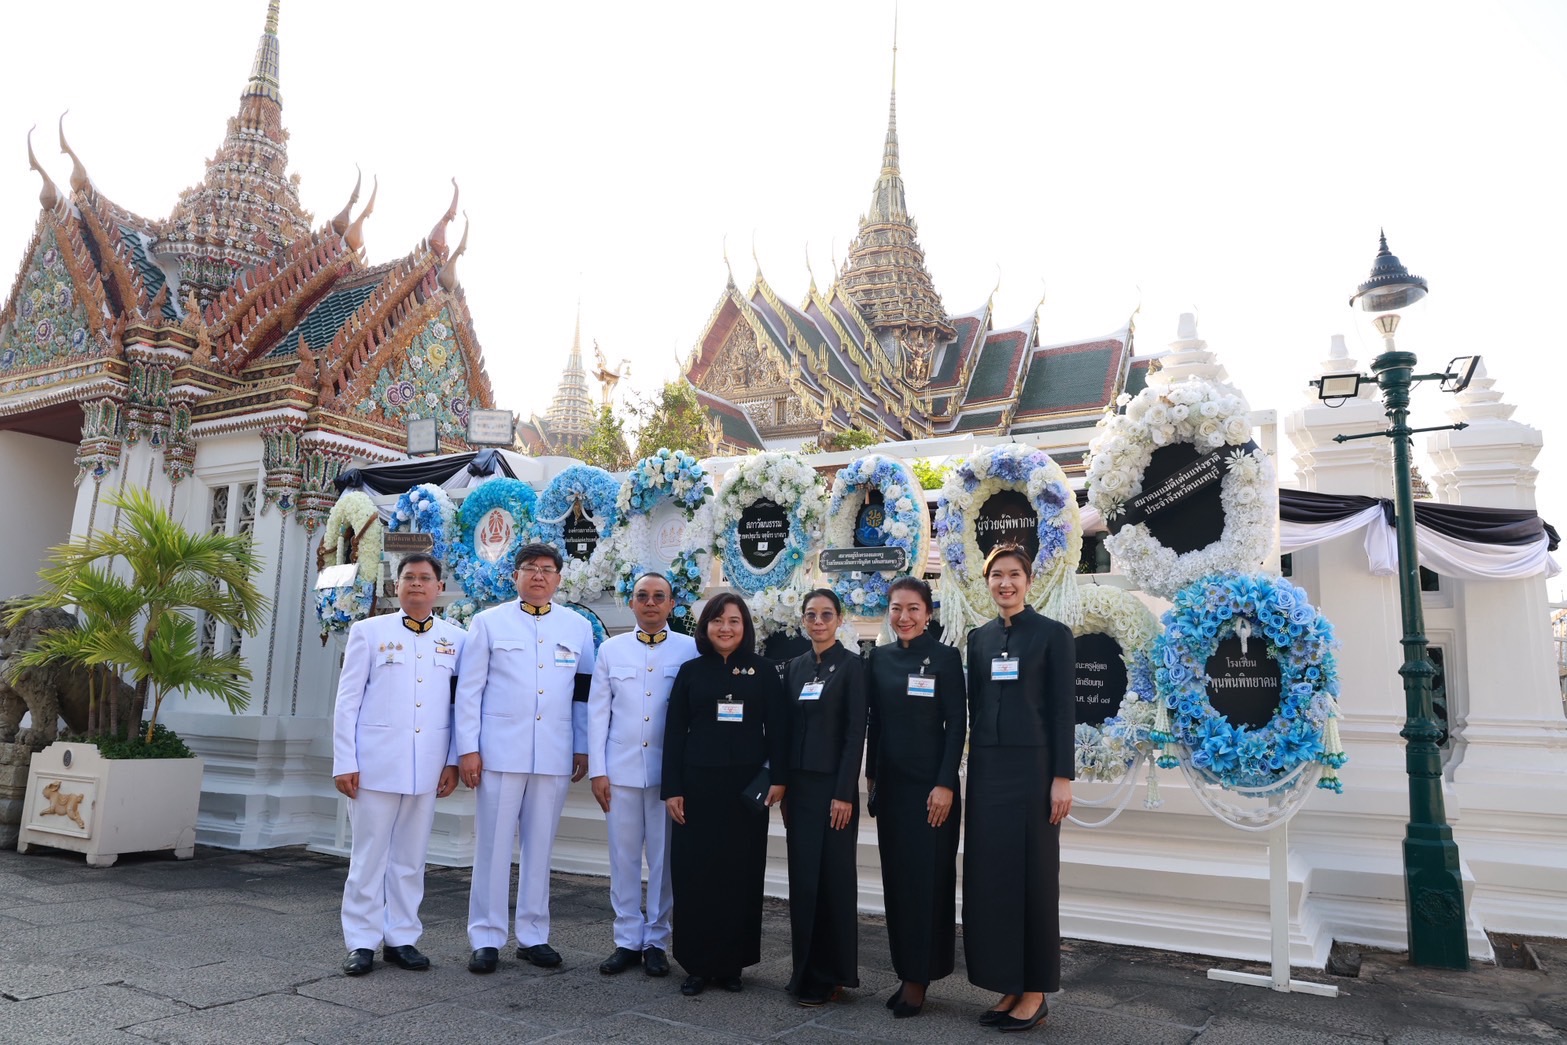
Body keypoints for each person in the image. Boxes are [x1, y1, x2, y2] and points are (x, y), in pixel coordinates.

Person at [455, 542, 594, 975]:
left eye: (547, 569)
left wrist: (582, 745)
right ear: (515, 576)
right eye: (530, 568)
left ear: (558, 578)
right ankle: (486, 936)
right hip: (499, 752)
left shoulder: (577, 627)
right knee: (493, 847)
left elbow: (582, 694)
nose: (538, 576)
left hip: (552, 752)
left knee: (540, 848)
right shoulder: (489, 623)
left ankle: (534, 935)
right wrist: (468, 748)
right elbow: (469, 691)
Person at [331, 552, 464, 976]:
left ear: (439, 588)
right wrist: (344, 761)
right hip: (374, 765)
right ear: (396, 584)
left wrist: (453, 761)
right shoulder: (369, 632)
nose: (417, 584)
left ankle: (402, 937)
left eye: (426, 578)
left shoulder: (456, 639)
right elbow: (347, 701)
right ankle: (361, 941)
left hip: (427, 767)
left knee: (410, 858)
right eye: (409, 577)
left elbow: (460, 706)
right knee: (369, 856)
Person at [963, 543, 1075, 1033]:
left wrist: (1062, 778)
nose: (1004, 584)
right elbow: (976, 706)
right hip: (988, 773)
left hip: (1033, 775)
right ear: (987, 583)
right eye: (996, 576)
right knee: (994, 880)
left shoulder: (1053, 636)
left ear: (1029, 582)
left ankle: (1035, 991)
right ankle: (1010, 981)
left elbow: (1062, 712)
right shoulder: (979, 639)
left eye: (1013, 575)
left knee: (1033, 878)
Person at [661, 592, 789, 996]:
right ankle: (697, 964)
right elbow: (674, 732)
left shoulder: (765, 671)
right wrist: (672, 789)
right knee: (696, 875)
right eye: (718, 621)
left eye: (734, 621)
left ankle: (732, 963)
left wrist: (778, 779)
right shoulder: (690, 671)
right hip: (696, 788)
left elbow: (781, 730)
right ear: (706, 627)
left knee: (741, 875)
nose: (726, 628)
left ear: (745, 627)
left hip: (746, 791)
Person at [586, 572, 698, 978]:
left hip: (668, 778)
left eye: (659, 597)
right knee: (624, 858)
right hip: (620, 773)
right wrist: (598, 771)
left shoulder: (689, 649)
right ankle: (626, 940)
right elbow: (598, 714)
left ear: (672, 604)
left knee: (665, 861)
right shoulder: (611, 650)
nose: (650, 603)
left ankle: (656, 940)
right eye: (642, 596)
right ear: (631, 602)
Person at [864, 576, 965, 1018]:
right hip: (894, 789)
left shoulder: (945, 658)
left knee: (928, 885)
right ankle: (906, 970)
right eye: (896, 609)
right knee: (898, 884)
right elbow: (875, 724)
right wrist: (871, 779)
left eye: (913, 609)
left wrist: (945, 783)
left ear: (928, 613)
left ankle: (920, 978)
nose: (904, 617)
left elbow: (957, 725)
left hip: (932, 792)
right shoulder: (879, 659)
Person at [781, 589, 867, 1007]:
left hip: (834, 792)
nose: (818, 622)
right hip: (799, 791)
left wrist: (844, 793)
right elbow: (784, 731)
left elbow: (855, 735)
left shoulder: (852, 667)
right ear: (803, 619)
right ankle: (804, 971)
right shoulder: (795, 668)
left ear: (839, 619)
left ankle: (832, 973)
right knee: (803, 881)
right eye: (811, 615)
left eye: (826, 615)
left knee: (832, 881)